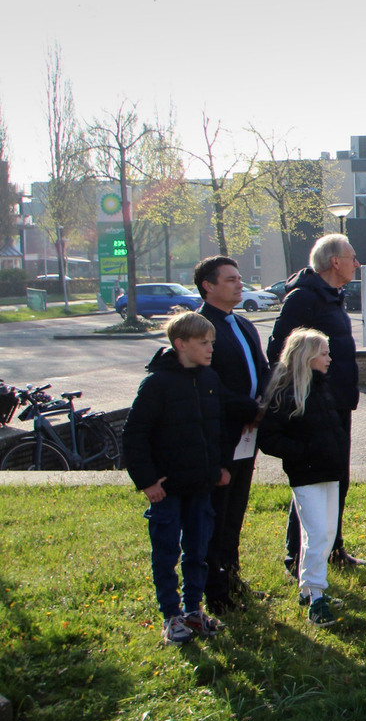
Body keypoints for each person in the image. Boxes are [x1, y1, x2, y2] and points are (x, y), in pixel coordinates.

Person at [120, 311, 230, 645]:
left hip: (200, 484)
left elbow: (215, 430)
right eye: (203, 343)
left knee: (198, 549)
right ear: (180, 344)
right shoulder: (157, 384)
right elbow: (134, 435)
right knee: (167, 552)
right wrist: (148, 481)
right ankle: (171, 616)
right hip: (166, 489)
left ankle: (193, 610)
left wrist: (218, 468)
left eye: (212, 342)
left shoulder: (209, 380)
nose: (210, 349)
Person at [267, 233, 364, 571]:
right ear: (334, 262)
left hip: (335, 403)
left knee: (336, 478)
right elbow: (280, 351)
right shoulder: (303, 299)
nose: (357, 263)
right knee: (312, 481)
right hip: (312, 406)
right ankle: (298, 554)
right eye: (352, 257)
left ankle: (332, 548)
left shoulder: (333, 297)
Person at [194, 256, 270, 615]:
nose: (240, 285)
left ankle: (233, 578)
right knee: (216, 513)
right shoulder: (200, 326)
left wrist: (265, 405)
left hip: (248, 432)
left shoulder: (242, 323)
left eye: (240, 279)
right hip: (220, 433)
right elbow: (207, 383)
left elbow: (263, 369)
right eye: (230, 280)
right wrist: (246, 409)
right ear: (208, 286)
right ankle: (216, 592)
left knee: (236, 508)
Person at [256, 328, 344, 626]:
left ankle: (307, 588)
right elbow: (269, 438)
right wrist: (303, 452)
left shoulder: (321, 386)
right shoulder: (285, 392)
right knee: (317, 532)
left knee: (324, 534)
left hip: (330, 472)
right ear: (307, 356)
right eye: (324, 353)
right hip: (305, 475)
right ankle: (317, 598)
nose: (329, 359)